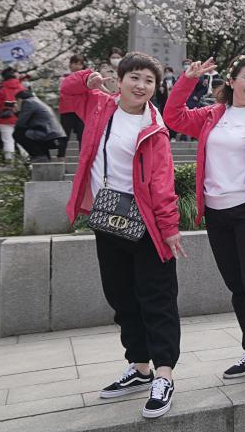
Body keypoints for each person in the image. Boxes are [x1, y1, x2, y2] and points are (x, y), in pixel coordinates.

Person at [165, 54, 245, 405]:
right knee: (237, 286)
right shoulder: (211, 116)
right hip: (218, 215)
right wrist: (187, 80)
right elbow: (172, 117)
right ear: (232, 81)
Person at [62, 52, 183, 419]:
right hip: (107, 216)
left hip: (145, 223)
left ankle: (164, 373)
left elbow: (163, 183)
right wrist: (87, 79)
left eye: (149, 80)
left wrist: (170, 228)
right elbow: (66, 91)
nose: (141, 85)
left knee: (156, 297)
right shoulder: (100, 107)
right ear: (119, 79)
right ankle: (140, 367)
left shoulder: (155, 128)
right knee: (121, 295)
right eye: (135, 77)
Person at [12, 90, 66, 162]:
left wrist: (17, 112)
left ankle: (38, 155)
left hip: (48, 134)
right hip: (56, 135)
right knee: (31, 134)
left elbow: (21, 123)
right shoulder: (37, 101)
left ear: (20, 99)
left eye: (17, 101)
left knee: (18, 133)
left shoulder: (28, 102)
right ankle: (44, 157)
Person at [0, 67, 25, 160]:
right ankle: (27, 163)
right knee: (22, 141)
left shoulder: (1, 88)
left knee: (8, 141)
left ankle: (10, 163)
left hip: (5, 118)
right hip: (20, 117)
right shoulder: (21, 87)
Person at [57, 54, 86, 158]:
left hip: (81, 110)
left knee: (82, 136)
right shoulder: (63, 78)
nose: (77, 66)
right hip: (67, 110)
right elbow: (63, 91)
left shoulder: (85, 78)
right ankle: (60, 156)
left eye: (80, 64)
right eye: (75, 63)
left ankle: (83, 159)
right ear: (70, 65)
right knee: (64, 135)